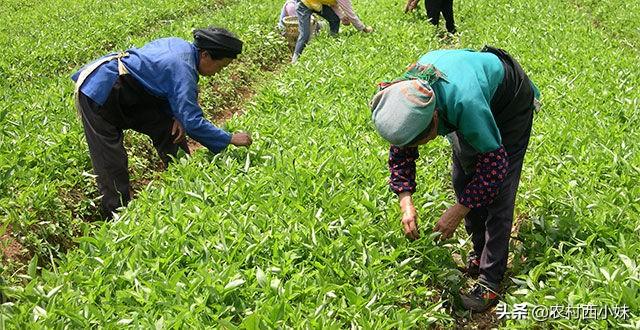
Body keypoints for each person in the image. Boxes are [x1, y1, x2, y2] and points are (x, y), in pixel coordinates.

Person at [370, 46, 540, 312]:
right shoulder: (406, 100)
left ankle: (490, 282)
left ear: (436, 118)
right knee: (463, 176)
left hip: (510, 103)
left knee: (500, 193)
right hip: (468, 93)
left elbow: (494, 167)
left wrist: (459, 210)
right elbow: (401, 151)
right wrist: (406, 203)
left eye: (422, 140)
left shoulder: (465, 104)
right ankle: (479, 252)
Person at [72, 27, 253, 219]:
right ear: (206, 55)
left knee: (169, 128)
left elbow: (156, 78)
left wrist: (176, 114)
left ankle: (186, 180)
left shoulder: (182, 48)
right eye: (221, 66)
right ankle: (117, 216)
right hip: (102, 87)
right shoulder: (183, 68)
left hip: (131, 87)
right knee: (110, 158)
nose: (218, 73)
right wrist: (230, 139)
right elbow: (193, 122)